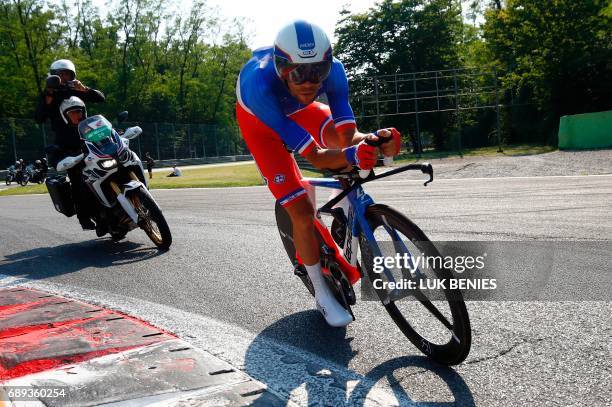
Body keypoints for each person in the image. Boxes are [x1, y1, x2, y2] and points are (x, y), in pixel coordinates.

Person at [236, 20, 401, 327]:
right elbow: (317, 156)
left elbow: (346, 135)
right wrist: (351, 154)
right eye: (299, 73)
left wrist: (377, 141)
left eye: (318, 72)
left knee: (348, 154)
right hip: (261, 124)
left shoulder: (335, 70)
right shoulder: (257, 86)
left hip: (298, 111)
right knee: (300, 209)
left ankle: (343, 206)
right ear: (282, 67)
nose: (310, 82)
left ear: (328, 64)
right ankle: (321, 291)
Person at [34, 59, 105, 230]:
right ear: (53, 76)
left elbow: (101, 98)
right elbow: (39, 117)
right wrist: (49, 95)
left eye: (67, 74)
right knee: (78, 181)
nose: (64, 78)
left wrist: (84, 89)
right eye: (60, 74)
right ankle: (84, 217)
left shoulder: (76, 89)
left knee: (105, 170)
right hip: (66, 145)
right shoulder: (49, 94)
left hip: (88, 138)